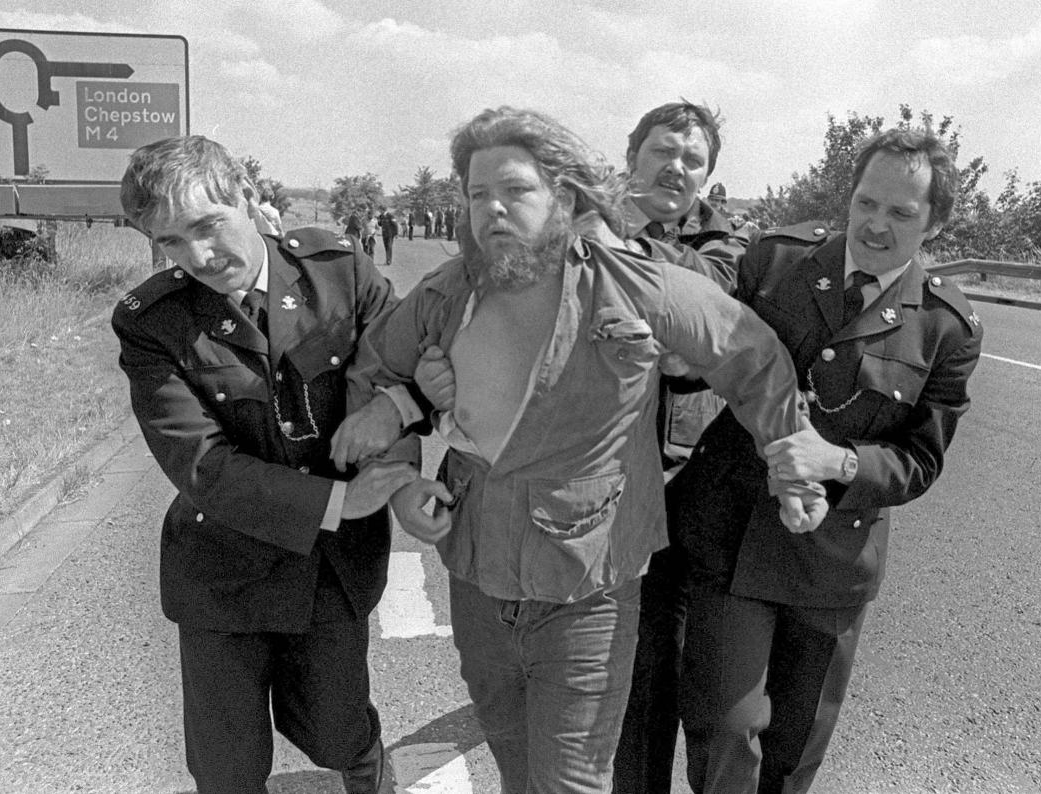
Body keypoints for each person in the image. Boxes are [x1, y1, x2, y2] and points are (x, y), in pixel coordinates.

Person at [345, 106, 827, 794]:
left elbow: (751, 357)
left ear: (564, 197)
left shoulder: (635, 286)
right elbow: (375, 371)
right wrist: (396, 478)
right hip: (478, 577)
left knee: (570, 782)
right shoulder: (450, 291)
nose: (493, 210)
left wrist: (791, 462)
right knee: (515, 761)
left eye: (515, 190)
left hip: (586, 587)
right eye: (478, 194)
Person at [672, 128, 984, 793]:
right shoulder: (778, 262)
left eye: (901, 213)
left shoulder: (946, 328)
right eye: (866, 203)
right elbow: (709, 352)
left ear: (934, 222)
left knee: (792, 755)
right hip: (733, 541)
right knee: (727, 729)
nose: (875, 224)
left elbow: (919, 462)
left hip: (832, 564)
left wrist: (838, 462)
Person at [111, 135, 420, 794]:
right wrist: (343, 502)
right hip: (223, 570)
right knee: (227, 764)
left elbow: (410, 363)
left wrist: (393, 421)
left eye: (207, 226)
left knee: (339, 729)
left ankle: (370, 775)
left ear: (247, 199)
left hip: (332, 569)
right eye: (170, 241)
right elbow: (203, 465)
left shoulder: (339, 274)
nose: (197, 256)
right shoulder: (153, 323)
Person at [612, 99, 747, 794]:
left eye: (694, 160)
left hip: (686, 493)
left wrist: (616, 246)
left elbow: (702, 297)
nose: (677, 167)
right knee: (633, 689)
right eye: (664, 151)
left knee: (701, 689)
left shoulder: (722, 244)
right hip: (602, 492)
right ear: (631, 156)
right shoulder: (579, 224)